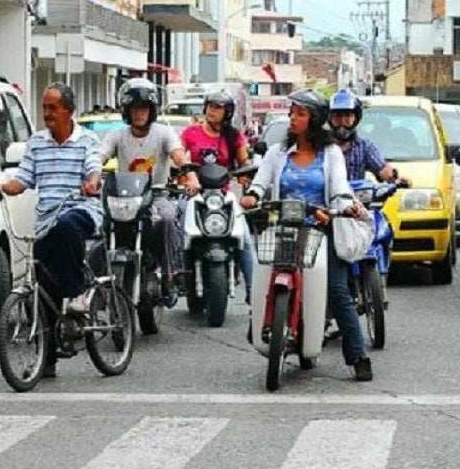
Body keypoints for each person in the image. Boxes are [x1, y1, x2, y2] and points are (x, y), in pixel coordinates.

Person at [240, 89, 374, 381]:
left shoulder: (331, 154)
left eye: (300, 114)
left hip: (319, 231)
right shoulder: (277, 153)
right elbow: (260, 183)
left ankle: (357, 356)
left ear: (314, 120)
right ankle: (263, 323)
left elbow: (339, 188)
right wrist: (252, 195)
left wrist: (339, 207)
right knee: (261, 274)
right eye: (292, 113)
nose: (293, 119)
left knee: (338, 290)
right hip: (282, 229)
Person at [0, 82, 102, 378]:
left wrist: (92, 182)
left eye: (53, 108)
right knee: (44, 285)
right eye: (45, 108)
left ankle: (78, 294)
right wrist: (1, 189)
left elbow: (94, 168)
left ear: (69, 110)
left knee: (67, 225)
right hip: (46, 220)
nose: (47, 113)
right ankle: (46, 361)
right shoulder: (36, 143)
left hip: (81, 211)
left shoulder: (87, 139)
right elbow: (22, 180)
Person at [99, 78, 201, 305]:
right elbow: (100, 156)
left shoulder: (164, 133)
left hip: (157, 195)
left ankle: (169, 275)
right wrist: (92, 173)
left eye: (143, 108)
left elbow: (178, 155)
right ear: (126, 110)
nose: (139, 113)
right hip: (125, 200)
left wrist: (190, 176)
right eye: (134, 108)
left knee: (166, 218)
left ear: (152, 110)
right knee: (102, 225)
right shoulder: (116, 135)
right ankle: (99, 281)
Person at [180, 91, 254, 303]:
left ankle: (254, 291)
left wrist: (246, 175)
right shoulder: (190, 132)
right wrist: (182, 174)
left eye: (218, 107)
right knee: (178, 225)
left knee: (245, 238)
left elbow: (244, 162)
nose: (212, 111)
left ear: (227, 112)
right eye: (210, 106)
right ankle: (174, 276)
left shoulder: (234, 136)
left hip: (223, 196)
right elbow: (178, 156)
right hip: (194, 194)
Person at [327, 89, 408, 184]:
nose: (342, 121)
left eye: (347, 116)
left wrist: (396, 179)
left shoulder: (364, 147)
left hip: (355, 197)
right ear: (330, 119)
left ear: (355, 118)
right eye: (337, 116)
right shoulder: (320, 147)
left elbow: (382, 168)